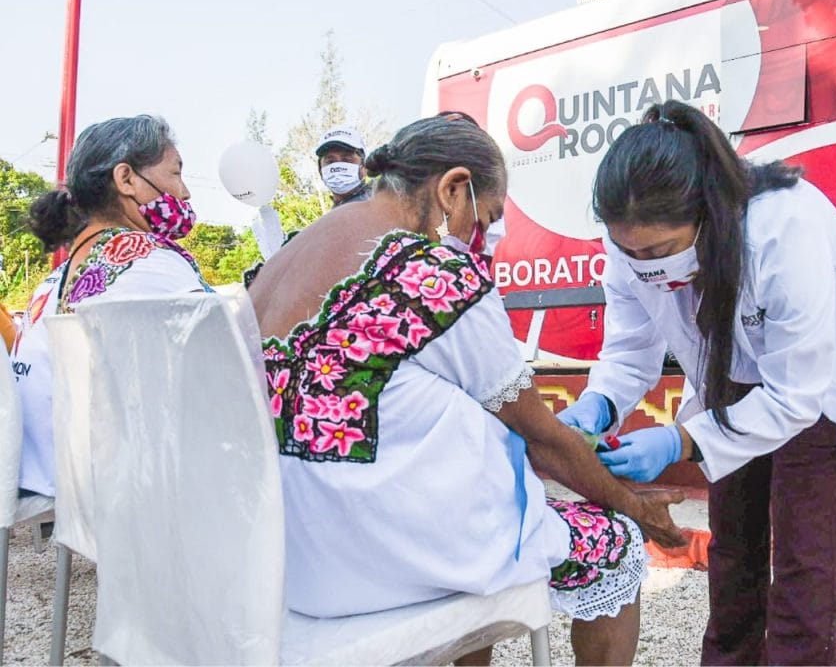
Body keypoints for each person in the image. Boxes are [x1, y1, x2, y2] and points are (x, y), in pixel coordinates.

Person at [247, 113, 685, 666]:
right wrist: (635, 507)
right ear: (454, 188)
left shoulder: (283, 258)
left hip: (298, 559)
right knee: (613, 544)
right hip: (394, 554)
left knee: (471, 497)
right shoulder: (432, 269)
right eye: (490, 217)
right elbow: (541, 437)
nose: (488, 236)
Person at [557, 100, 836, 666]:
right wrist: (600, 403)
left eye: (657, 251)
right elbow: (631, 349)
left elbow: (795, 395)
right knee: (733, 546)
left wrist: (680, 441)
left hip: (823, 386)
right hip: (729, 383)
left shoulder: (783, 227)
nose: (645, 265)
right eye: (631, 252)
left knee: (809, 558)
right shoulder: (627, 244)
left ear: (707, 209)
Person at [10, 115, 211, 498]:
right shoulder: (150, 259)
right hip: (108, 479)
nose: (185, 193)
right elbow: (227, 360)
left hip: (44, 463)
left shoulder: (53, 279)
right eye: (176, 173)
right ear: (126, 179)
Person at [315, 125, 370, 206]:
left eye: (347, 160)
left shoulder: (383, 208)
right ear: (320, 170)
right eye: (330, 161)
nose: (337, 166)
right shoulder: (330, 217)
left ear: (364, 167)